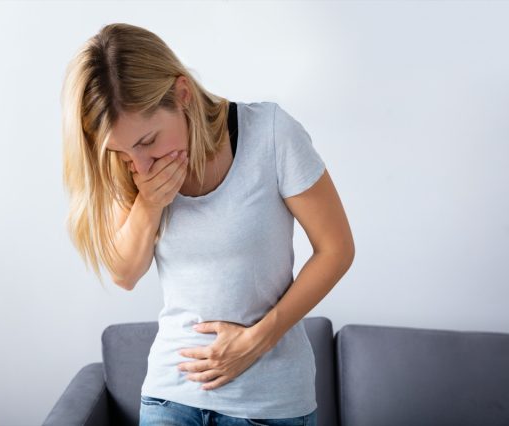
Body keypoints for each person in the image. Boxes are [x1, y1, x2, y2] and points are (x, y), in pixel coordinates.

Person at [60, 22, 355, 426]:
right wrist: (149, 203)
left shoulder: (271, 133)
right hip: (171, 396)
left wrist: (257, 340)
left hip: (269, 403)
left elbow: (336, 249)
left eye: (147, 141)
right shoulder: (132, 168)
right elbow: (124, 274)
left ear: (182, 94)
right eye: (123, 153)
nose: (140, 164)